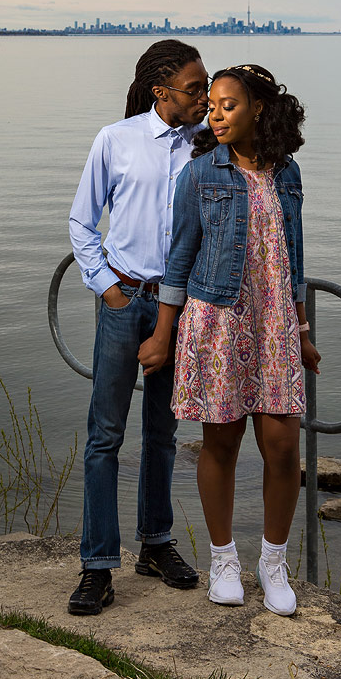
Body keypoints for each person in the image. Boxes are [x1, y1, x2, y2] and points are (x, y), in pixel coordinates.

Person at [138, 63, 320, 617]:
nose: (214, 115)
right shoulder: (200, 176)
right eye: (211, 105)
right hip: (217, 321)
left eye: (228, 105)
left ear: (258, 109)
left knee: (283, 445)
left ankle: (273, 562)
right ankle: (223, 559)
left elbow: (294, 260)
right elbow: (180, 258)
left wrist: (303, 329)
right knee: (221, 442)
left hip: (275, 327)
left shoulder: (287, 174)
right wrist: (163, 333)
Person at [67, 40, 209, 615]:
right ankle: (98, 565)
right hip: (127, 304)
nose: (205, 97)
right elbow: (82, 219)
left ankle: (155, 543)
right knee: (105, 436)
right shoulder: (116, 140)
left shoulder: (208, 147)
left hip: (181, 310)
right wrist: (111, 292)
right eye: (195, 88)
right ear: (161, 91)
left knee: (163, 434)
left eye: (206, 87)